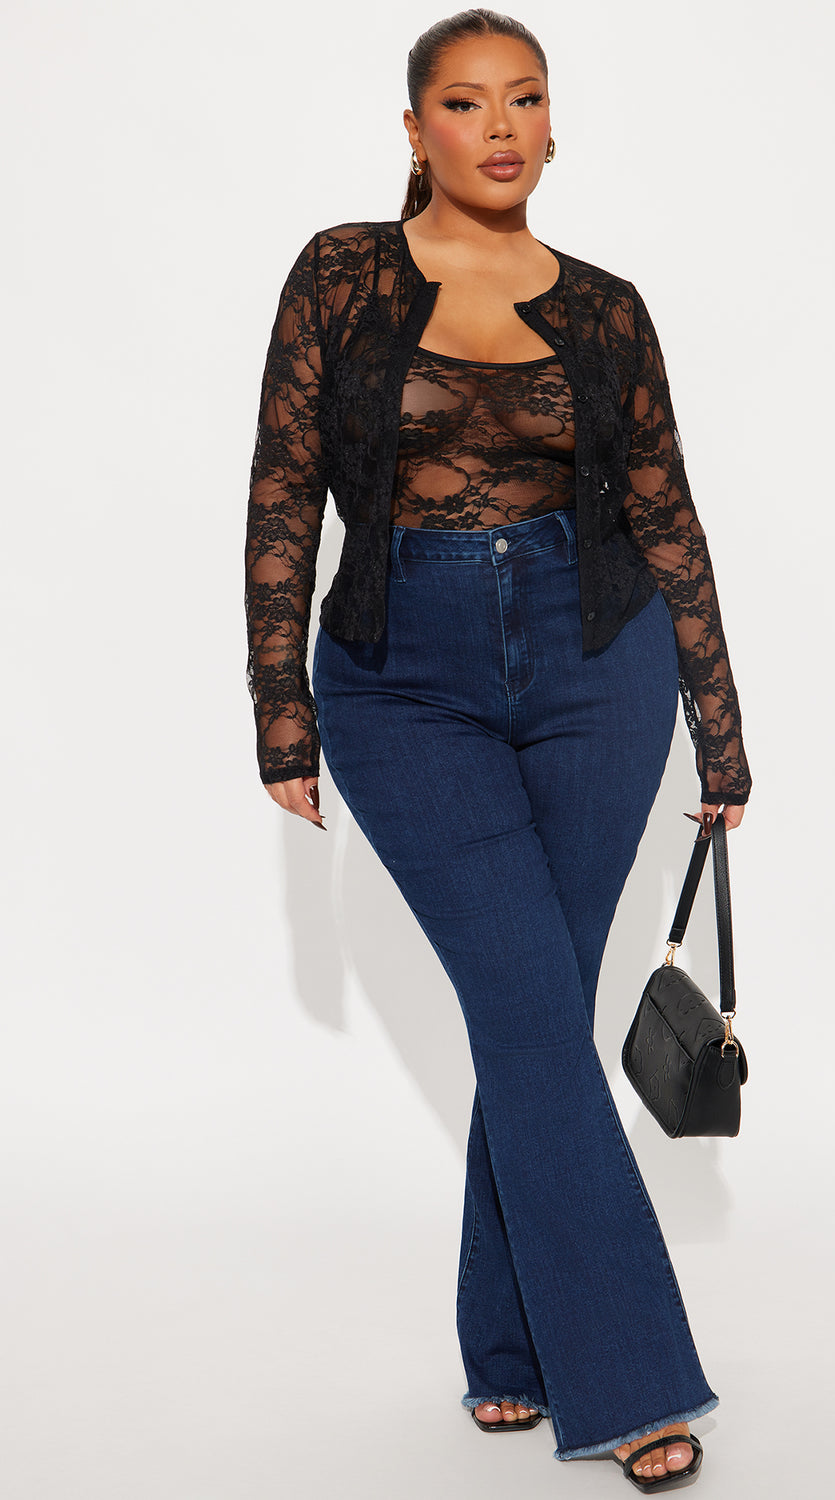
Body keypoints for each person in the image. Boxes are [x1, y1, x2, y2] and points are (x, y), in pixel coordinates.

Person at [243, 8, 751, 1490]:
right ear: (416, 131)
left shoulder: (606, 309)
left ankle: (512, 1348)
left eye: (524, 99)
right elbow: (283, 489)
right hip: (404, 682)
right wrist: (281, 705)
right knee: (532, 1021)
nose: (501, 126)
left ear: (552, 124)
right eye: (465, 103)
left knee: (533, 1021)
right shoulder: (341, 273)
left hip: (601, 668)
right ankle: (632, 1379)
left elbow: (666, 514)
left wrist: (719, 728)